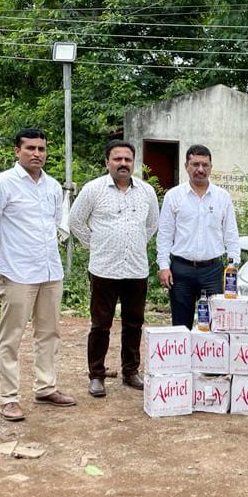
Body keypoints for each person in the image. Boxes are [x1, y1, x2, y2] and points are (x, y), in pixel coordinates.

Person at [0, 128, 76, 422]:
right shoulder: (2, 185)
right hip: (16, 271)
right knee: (11, 335)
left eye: (41, 148)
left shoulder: (51, 186)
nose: (37, 153)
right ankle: (9, 397)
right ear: (17, 151)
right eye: (30, 148)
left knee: (49, 332)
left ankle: (46, 386)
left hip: (50, 269)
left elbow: (52, 226)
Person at [69, 140, 159, 395]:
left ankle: (130, 371)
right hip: (103, 269)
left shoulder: (146, 192)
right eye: (117, 159)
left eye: (127, 159)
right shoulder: (93, 189)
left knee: (134, 324)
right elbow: (75, 222)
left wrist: (135, 242)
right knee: (100, 325)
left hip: (136, 269)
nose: (123, 164)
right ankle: (96, 374)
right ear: (107, 162)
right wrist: (95, 244)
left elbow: (152, 225)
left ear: (133, 163)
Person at [156, 144, 240, 328]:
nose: (200, 169)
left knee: (215, 325)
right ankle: (183, 358)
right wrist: (163, 266)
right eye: (195, 164)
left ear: (211, 167)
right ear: (186, 166)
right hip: (181, 270)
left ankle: (211, 358)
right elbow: (165, 235)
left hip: (212, 271)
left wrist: (233, 266)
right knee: (181, 325)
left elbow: (231, 234)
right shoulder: (174, 196)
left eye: (205, 165)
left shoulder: (222, 197)